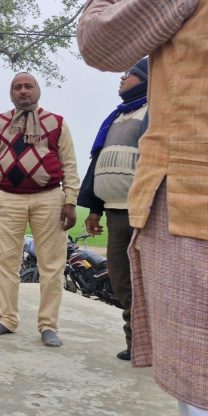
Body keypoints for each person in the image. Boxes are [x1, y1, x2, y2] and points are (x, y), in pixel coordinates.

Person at [77, 0, 208, 413]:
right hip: (122, 207)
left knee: (197, 365)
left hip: (193, 200)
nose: (123, 79)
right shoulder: (114, 117)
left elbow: (103, 42)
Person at [0, 72, 79, 347]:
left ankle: (48, 325)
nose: (23, 91)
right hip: (8, 199)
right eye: (17, 87)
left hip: (49, 198)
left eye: (28, 86)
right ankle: (7, 319)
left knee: (52, 265)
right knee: (6, 262)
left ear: (37, 90)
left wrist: (70, 200)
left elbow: (69, 163)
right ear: (11, 93)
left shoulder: (56, 123)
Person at [77, 58, 148, 362]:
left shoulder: (154, 112)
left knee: (148, 282)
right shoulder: (115, 118)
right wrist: (94, 210)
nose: (122, 77)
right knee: (121, 281)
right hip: (115, 214)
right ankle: (135, 342)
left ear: (148, 78)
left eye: (130, 74)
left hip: (145, 214)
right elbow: (96, 165)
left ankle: (153, 346)